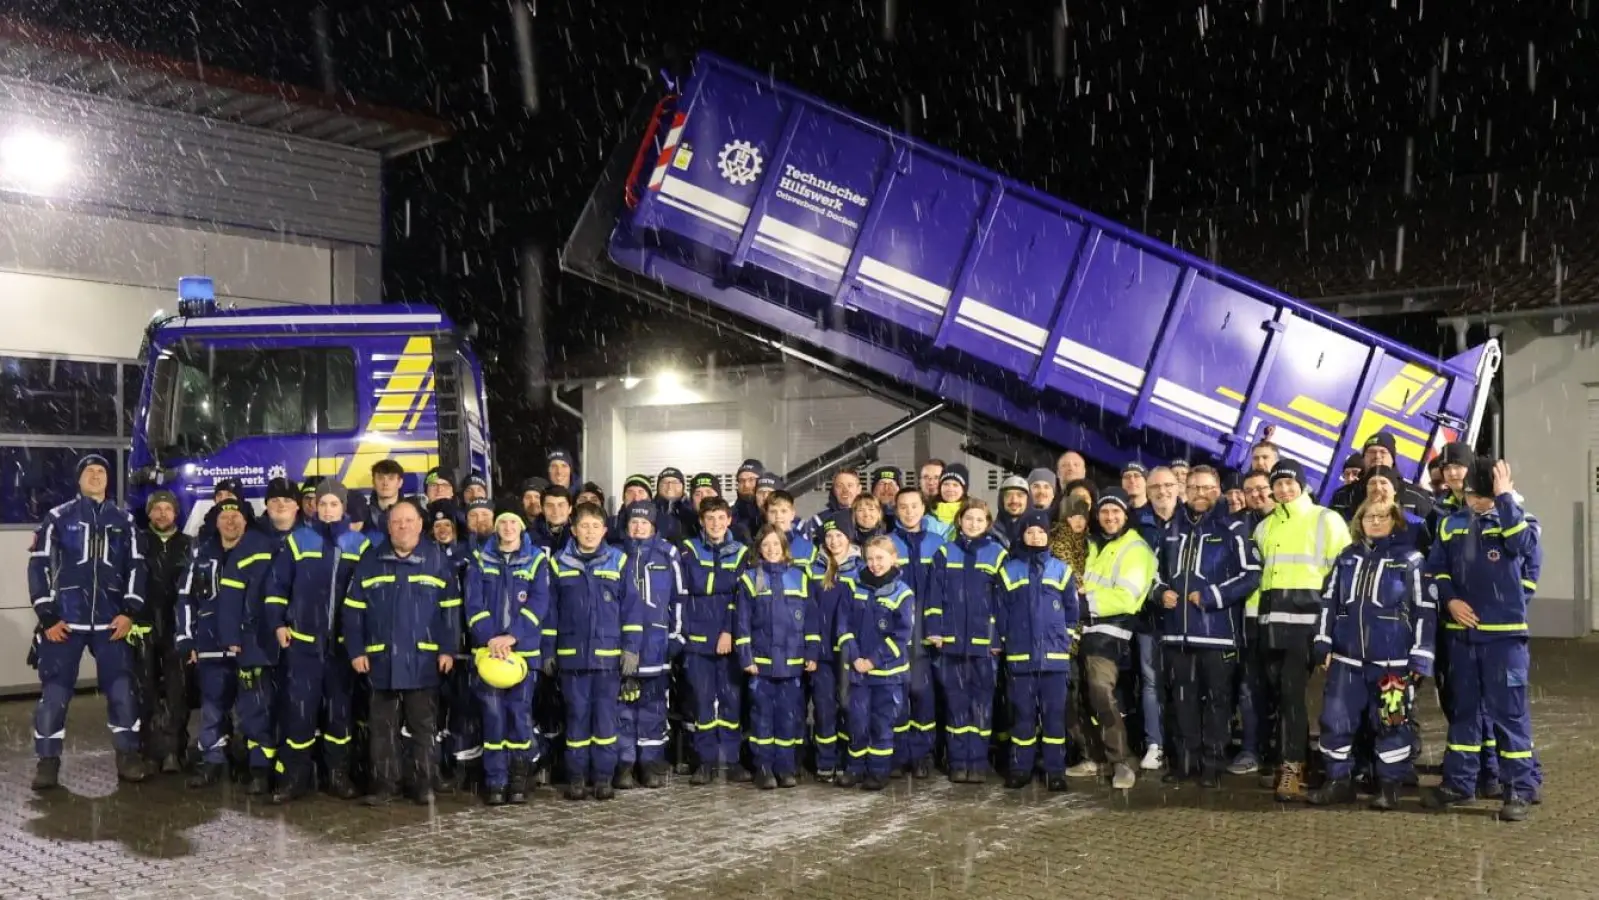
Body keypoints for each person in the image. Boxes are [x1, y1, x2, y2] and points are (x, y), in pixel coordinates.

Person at [1425, 458, 1540, 821]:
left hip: (1505, 644)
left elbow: (1522, 548)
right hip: (1461, 638)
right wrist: (1451, 600)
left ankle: (1519, 789)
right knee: (1464, 712)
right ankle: (1460, 784)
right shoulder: (1450, 523)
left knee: (1510, 716)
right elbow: (1436, 569)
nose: (1475, 502)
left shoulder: (1519, 520)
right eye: (1472, 494)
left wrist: (1505, 499)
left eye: (1483, 495)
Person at [27, 453, 148, 789]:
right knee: (54, 694)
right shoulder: (57, 518)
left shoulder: (123, 520)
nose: (96, 475)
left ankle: (128, 756)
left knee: (123, 691)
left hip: (112, 623)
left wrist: (129, 612)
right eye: (89, 471)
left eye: (101, 471)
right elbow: (39, 566)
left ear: (108, 481)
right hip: (65, 622)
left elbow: (137, 567)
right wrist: (47, 615)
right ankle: (47, 762)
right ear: (78, 480)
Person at [1307, 498, 1433, 810]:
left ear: (1396, 521)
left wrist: (1421, 656)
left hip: (1393, 665)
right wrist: (1322, 643)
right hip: (1346, 663)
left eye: (1382, 516)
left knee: (1392, 723)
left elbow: (1425, 611)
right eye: (1368, 517)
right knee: (1335, 721)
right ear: (1359, 521)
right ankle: (1338, 782)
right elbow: (1329, 602)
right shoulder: (1346, 558)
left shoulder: (1411, 560)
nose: (1374, 522)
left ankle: (1389, 787)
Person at [343, 498, 462, 805]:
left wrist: (448, 649)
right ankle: (386, 786)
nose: (403, 527)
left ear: (420, 525)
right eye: (397, 522)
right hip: (380, 661)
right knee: (383, 729)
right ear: (388, 526)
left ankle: (423, 785)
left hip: (423, 662)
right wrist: (356, 650)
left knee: (423, 728)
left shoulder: (437, 560)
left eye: (409, 521)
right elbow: (353, 611)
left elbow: (450, 611)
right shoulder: (371, 560)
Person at [1152, 465, 1261, 787]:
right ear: (1185, 491)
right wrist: (1159, 592)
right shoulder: (1171, 528)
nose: (1201, 494)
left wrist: (1214, 596)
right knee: (1181, 700)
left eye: (1208, 488)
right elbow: (1154, 570)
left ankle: (1213, 764)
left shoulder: (1235, 528)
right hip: (1176, 633)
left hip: (1218, 634)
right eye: (1195, 488)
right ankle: (1185, 762)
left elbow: (1251, 574)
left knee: (1217, 702)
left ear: (1219, 492)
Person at [263, 479, 371, 803]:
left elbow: (368, 596)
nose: (327, 509)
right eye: (322, 503)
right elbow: (276, 587)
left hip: (341, 649)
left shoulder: (359, 544)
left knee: (340, 715)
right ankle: (294, 779)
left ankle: (337, 776)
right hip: (303, 646)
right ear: (314, 507)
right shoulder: (298, 541)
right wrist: (278, 624)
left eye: (333, 504)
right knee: (299, 715)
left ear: (343, 507)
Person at [1253, 459, 1350, 801]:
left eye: (1289, 483)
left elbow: (1342, 578)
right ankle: (1297, 763)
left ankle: (1293, 770)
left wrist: (1334, 630)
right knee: (1281, 697)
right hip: (1272, 626)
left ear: (1303, 484)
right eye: (1277, 484)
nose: (1283, 490)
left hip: (1307, 627)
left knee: (1293, 696)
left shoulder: (1326, 519)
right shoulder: (1265, 527)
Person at [547, 502, 642, 801]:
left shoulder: (619, 562)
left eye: (595, 526)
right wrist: (548, 651)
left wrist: (631, 650)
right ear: (573, 530)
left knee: (605, 722)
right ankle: (576, 779)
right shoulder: (558, 563)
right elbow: (550, 613)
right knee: (576, 719)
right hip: (572, 657)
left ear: (604, 530)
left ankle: (603, 778)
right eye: (583, 526)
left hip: (608, 658)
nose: (589, 532)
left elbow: (632, 610)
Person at [1069, 488, 1156, 789]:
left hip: (1110, 634)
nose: (1109, 517)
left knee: (1100, 693)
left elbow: (1127, 598)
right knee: (1074, 697)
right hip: (1081, 632)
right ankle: (1093, 756)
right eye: (1104, 511)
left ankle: (1121, 761)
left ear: (1125, 515)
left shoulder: (1136, 549)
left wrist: (1083, 604)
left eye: (1115, 511)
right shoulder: (1094, 545)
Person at [465, 504, 551, 806]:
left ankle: (519, 777)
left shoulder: (537, 561)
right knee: (493, 719)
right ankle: (496, 781)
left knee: (519, 716)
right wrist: (492, 639)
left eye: (514, 521)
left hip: (523, 654)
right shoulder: (479, 559)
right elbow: (473, 605)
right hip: (488, 653)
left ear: (521, 527)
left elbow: (539, 604)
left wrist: (512, 635)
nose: (509, 527)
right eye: (503, 521)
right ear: (497, 527)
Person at [177, 497, 255, 789]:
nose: (231, 522)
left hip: (248, 646)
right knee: (212, 708)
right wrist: (186, 639)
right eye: (225, 517)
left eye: (236, 516)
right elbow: (185, 599)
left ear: (245, 521)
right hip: (210, 646)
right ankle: (212, 761)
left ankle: (247, 763)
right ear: (217, 523)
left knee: (250, 710)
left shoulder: (256, 553)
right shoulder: (201, 555)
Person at [997, 509, 1077, 791]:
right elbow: (1001, 612)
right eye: (1029, 531)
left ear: (1047, 535)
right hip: (1021, 659)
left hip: (1055, 660)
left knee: (1054, 718)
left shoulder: (1061, 570)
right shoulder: (1009, 570)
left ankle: (1056, 771)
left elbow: (1072, 610)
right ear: (1022, 535)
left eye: (1040, 531)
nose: (1035, 535)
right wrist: (1006, 641)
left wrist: (1064, 639)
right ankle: (1021, 769)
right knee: (1023, 717)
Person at [926, 500, 1004, 784]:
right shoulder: (945, 553)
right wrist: (934, 630)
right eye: (968, 518)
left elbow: (1003, 602)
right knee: (956, 704)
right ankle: (958, 763)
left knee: (982, 705)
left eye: (979, 520)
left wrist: (998, 638)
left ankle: (978, 763)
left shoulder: (998, 554)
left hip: (985, 645)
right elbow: (934, 595)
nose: (973, 524)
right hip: (951, 642)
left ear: (988, 523)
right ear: (959, 521)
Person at [735, 525, 816, 789]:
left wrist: (811, 653)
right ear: (759, 549)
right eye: (766, 545)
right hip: (762, 664)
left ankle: (785, 767)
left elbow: (811, 623)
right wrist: (746, 657)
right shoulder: (750, 578)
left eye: (776, 545)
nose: (771, 550)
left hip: (792, 664)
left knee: (789, 716)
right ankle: (764, 768)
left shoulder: (800, 578)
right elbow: (743, 622)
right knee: (762, 717)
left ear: (785, 549)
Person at [215, 490, 282, 796]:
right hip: (256, 643)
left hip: (291, 644)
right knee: (256, 709)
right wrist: (232, 637)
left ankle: (287, 770)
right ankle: (260, 770)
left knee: (291, 710)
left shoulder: (299, 541)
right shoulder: (252, 546)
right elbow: (230, 596)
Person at [677, 496, 749, 782]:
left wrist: (729, 631)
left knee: (731, 701)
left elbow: (741, 596)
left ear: (729, 520)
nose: (716, 524)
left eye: (721, 518)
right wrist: (721, 584)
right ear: (701, 522)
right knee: (702, 702)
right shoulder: (688, 549)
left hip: (729, 638)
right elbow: (689, 585)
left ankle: (731, 760)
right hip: (696, 639)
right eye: (710, 519)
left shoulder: (742, 552)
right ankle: (705, 761)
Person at [836, 535, 915, 791]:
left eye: (880, 558)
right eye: (869, 558)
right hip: (858, 672)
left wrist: (873, 660)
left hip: (888, 675)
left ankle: (878, 772)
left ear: (893, 559)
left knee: (882, 724)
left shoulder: (902, 593)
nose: (874, 564)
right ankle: (854, 769)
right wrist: (855, 656)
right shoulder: (854, 586)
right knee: (857, 722)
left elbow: (901, 636)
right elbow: (843, 625)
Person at [617, 500, 682, 789]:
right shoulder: (616, 554)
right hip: (623, 647)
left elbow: (680, 598)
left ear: (653, 526)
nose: (639, 527)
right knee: (623, 708)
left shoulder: (668, 554)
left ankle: (650, 763)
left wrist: (676, 636)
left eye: (644, 523)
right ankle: (625, 763)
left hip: (657, 645)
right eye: (634, 522)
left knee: (653, 708)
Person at [132, 489, 191, 775]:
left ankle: (174, 751)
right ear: (149, 514)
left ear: (176, 513)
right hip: (144, 627)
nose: (163, 514)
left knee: (177, 691)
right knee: (147, 691)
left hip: (177, 629)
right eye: (157, 509)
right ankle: (151, 750)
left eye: (168, 509)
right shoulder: (138, 543)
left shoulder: (189, 545)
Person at [1230, 469, 1277, 779]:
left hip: (1286, 618)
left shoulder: (1292, 522)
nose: (1257, 495)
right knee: (1249, 687)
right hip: (1249, 618)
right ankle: (1251, 748)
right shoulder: (1240, 526)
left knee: (1282, 689)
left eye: (1263, 489)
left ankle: (1284, 753)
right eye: (1251, 491)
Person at [1132, 465, 1180, 772]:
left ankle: (1181, 742)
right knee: (1151, 683)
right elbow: (1135, 570)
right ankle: (1155, 744)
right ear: (1147, 492)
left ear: (1178, 487)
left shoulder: (1191, 520)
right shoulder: (1138, 525)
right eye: (1155, 487)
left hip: (1186, 617)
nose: (1162, 492)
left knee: (1184, 683)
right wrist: (1157, 593)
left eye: (1168, 486)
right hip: (1149, 618)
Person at [808, 512, 860, 780]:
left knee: (850, 707)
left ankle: (848, 759)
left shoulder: (862, 567)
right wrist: (812, 648)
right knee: (824, 707)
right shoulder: (814, 567)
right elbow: (810, 611)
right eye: (829, 536)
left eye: (839, 535)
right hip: (824, 652)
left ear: (848, 537)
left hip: (850, 652)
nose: (833, 540)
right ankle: (825, 760)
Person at [365, 459, 407, 533]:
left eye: (391, 478)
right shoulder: (363, 514)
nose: (385, 483)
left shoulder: (412, 513)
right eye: (380, 478)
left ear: (400, 482)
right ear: (373, 482)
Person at [531, 485, 573, 554]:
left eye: (561, 505)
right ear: (542, 509)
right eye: (550, 505)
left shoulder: (579, 535)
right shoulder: (529, 536)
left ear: (570, 508)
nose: (556, 511)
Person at [994, 475, 1030, 547]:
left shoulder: (1038, 533)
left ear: (1028, 500)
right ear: (1001, 500)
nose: (1014, 500)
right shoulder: (990, 533)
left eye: (1020, 495)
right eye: (1008, 495)